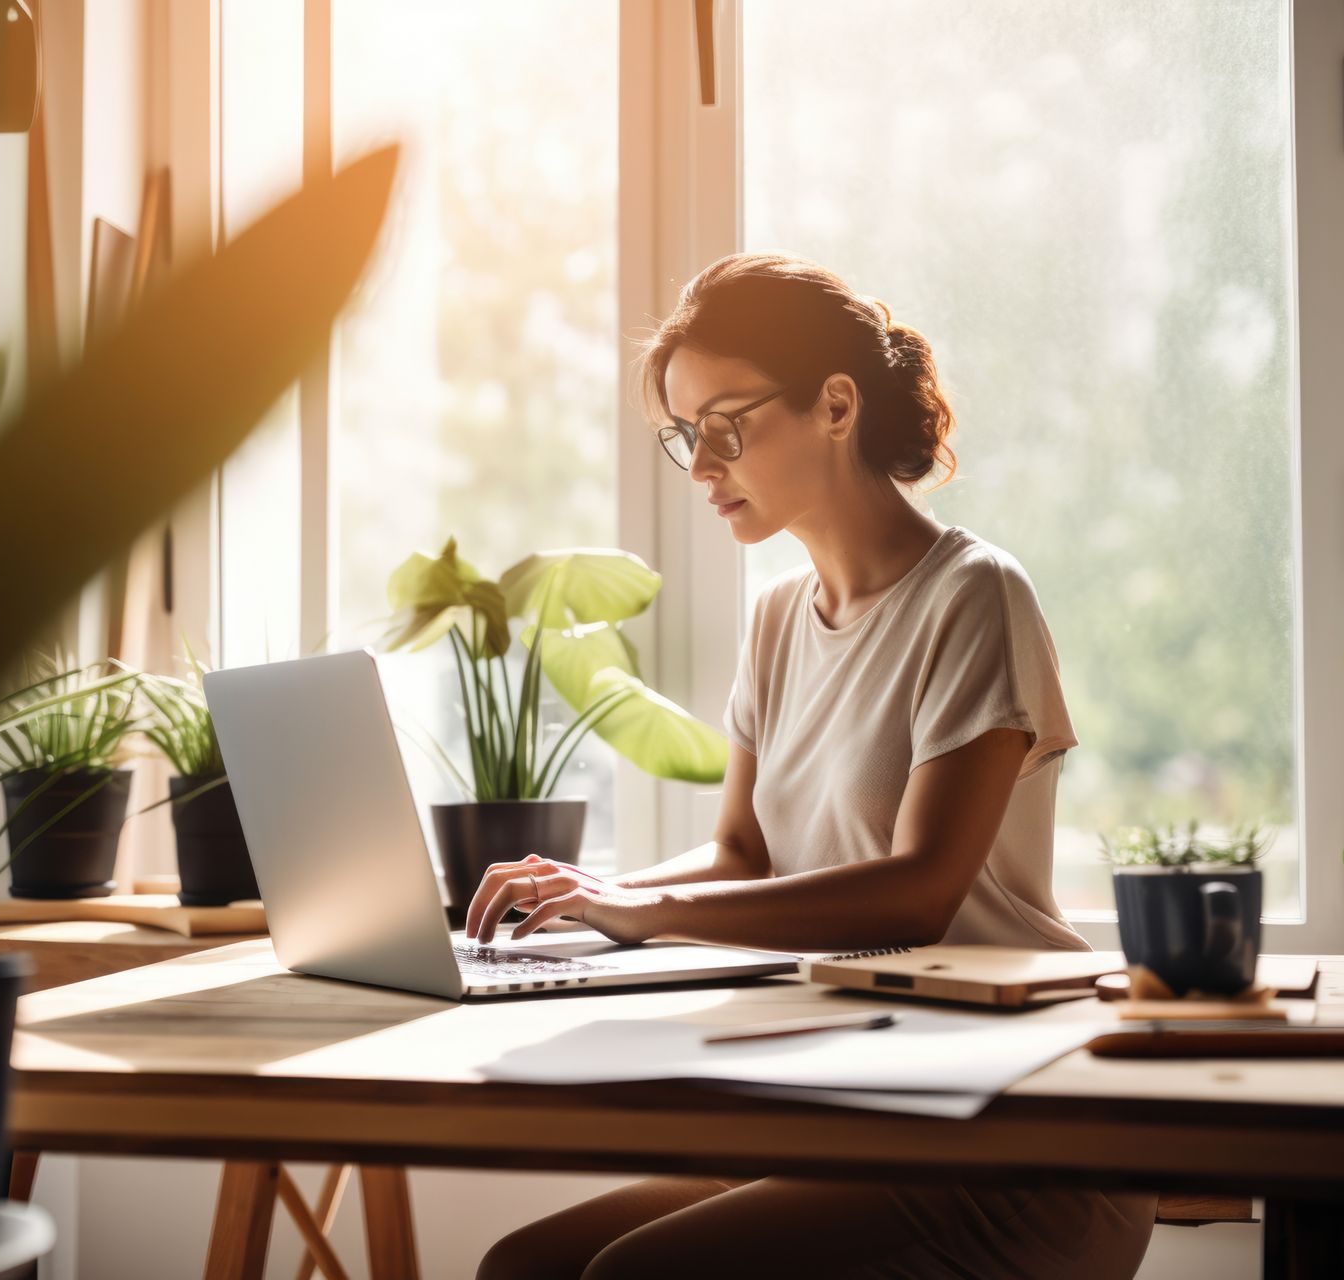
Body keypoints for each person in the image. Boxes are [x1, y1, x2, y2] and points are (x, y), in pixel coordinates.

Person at [470, 253, 1156, 1279]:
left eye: (726, 426)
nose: (702, 466)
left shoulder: (975, 597)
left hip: (1012, 1131)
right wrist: (593, 893)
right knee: (521, 1267)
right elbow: (745, 851)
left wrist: (643, 913)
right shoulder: (780, 617)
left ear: (835, 404)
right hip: (864, 1106)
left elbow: (919, 892)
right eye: (684, 435)